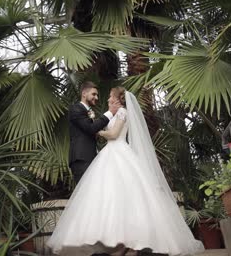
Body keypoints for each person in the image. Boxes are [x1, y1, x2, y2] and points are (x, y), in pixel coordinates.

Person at [47, 87, 205, 256]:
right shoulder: (115, 113)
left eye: (109, 96)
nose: (107, 99)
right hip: (109, 154)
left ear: (117, 99)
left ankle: (131, 243)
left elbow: (114, 135)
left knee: (126, 196)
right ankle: (119, 244)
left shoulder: (122, 112)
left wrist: (97, 131)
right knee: (112, 197)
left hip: (118, 151)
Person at [68, 81, 121, 184]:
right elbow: (91, 128)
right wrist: (110, 112)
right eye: (93, 94)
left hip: (91, 157)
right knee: (84, 194)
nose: (96, 97)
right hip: (81, 158)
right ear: (84, 93)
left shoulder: (88, 111)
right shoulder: (76, 109)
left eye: (96, 95)